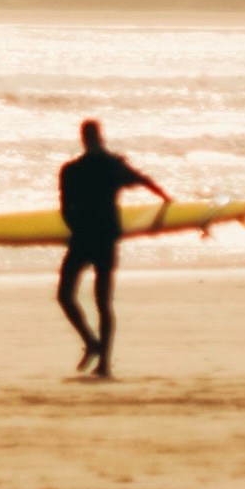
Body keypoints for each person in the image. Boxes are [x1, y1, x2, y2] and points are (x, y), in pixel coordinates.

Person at [55, 114, 168, 378]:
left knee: (65, 295)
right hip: (106, 238)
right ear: (100, 136)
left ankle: (92, 343)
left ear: (83, 138)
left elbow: (65, 210)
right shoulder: (113, 165)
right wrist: (166, 201)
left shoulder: (71, 170)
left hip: (82, 238)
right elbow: (144, 180)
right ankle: (103, 360)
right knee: (103, 302)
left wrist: (73, 229)